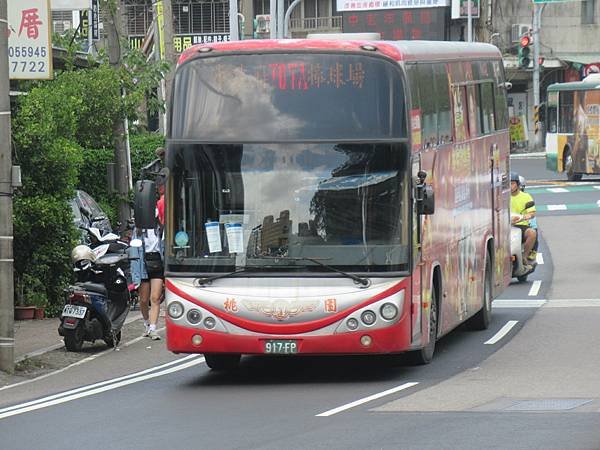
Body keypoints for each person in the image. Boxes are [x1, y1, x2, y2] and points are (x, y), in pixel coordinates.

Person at [510, 171, 537, 266]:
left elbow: (532, 212)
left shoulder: (526, 197)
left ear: (517, 184)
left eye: (512, 183)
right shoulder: (502, 196)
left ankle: (524, 256)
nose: (510, 186)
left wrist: (526, 216)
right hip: (506, 226)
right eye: (508, 184)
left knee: (532, 233)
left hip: (521, 226)